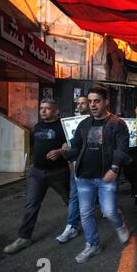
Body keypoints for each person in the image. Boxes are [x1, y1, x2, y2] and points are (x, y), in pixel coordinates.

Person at [64, 86, 131, 263]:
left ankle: (120, 224)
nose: (92, 105)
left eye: (97, 101)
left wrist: (115, 169)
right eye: (90, 101)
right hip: (84, 177)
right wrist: (67, 154)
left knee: (108, 211)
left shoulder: (117, 123)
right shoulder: (84, 124)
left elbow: (122, 149)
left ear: (106, 102)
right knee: (85, 213)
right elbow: (76, 146)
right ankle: (92, 245)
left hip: (106, 177)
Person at [4, 99, 70, 254]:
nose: (43, 111)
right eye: (41, 108)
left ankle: (76, 225)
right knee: (31, 205)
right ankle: (24, 238)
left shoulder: (63, 127)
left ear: (56, 111)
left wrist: (61, 151)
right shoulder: (38, 126)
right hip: (37, 173)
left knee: (70, 201)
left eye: (47, 108)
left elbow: (71, 146)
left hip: (58, 172)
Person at [56, 96, 90, 243]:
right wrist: (65, 146)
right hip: (76, 164)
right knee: (74, 195)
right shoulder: (70, 123)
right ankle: (72, 226)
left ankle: (110, 213)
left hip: (95, 165)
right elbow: (68, 142)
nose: (80, 105)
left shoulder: (99, 121)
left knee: (103, 197)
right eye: (78, 103)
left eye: (83, 103)